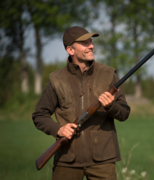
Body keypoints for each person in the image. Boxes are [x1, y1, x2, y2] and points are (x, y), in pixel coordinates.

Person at [32, 26, 130, 180]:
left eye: (90, 41)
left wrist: (111, 106)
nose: (91, 45)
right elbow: (39, 115)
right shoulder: (56, 79)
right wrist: (58, 130)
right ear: (70, 50)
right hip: (67, 159)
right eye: (85, 43)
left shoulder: (108, 74)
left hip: (103, 160)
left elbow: (124, 112)